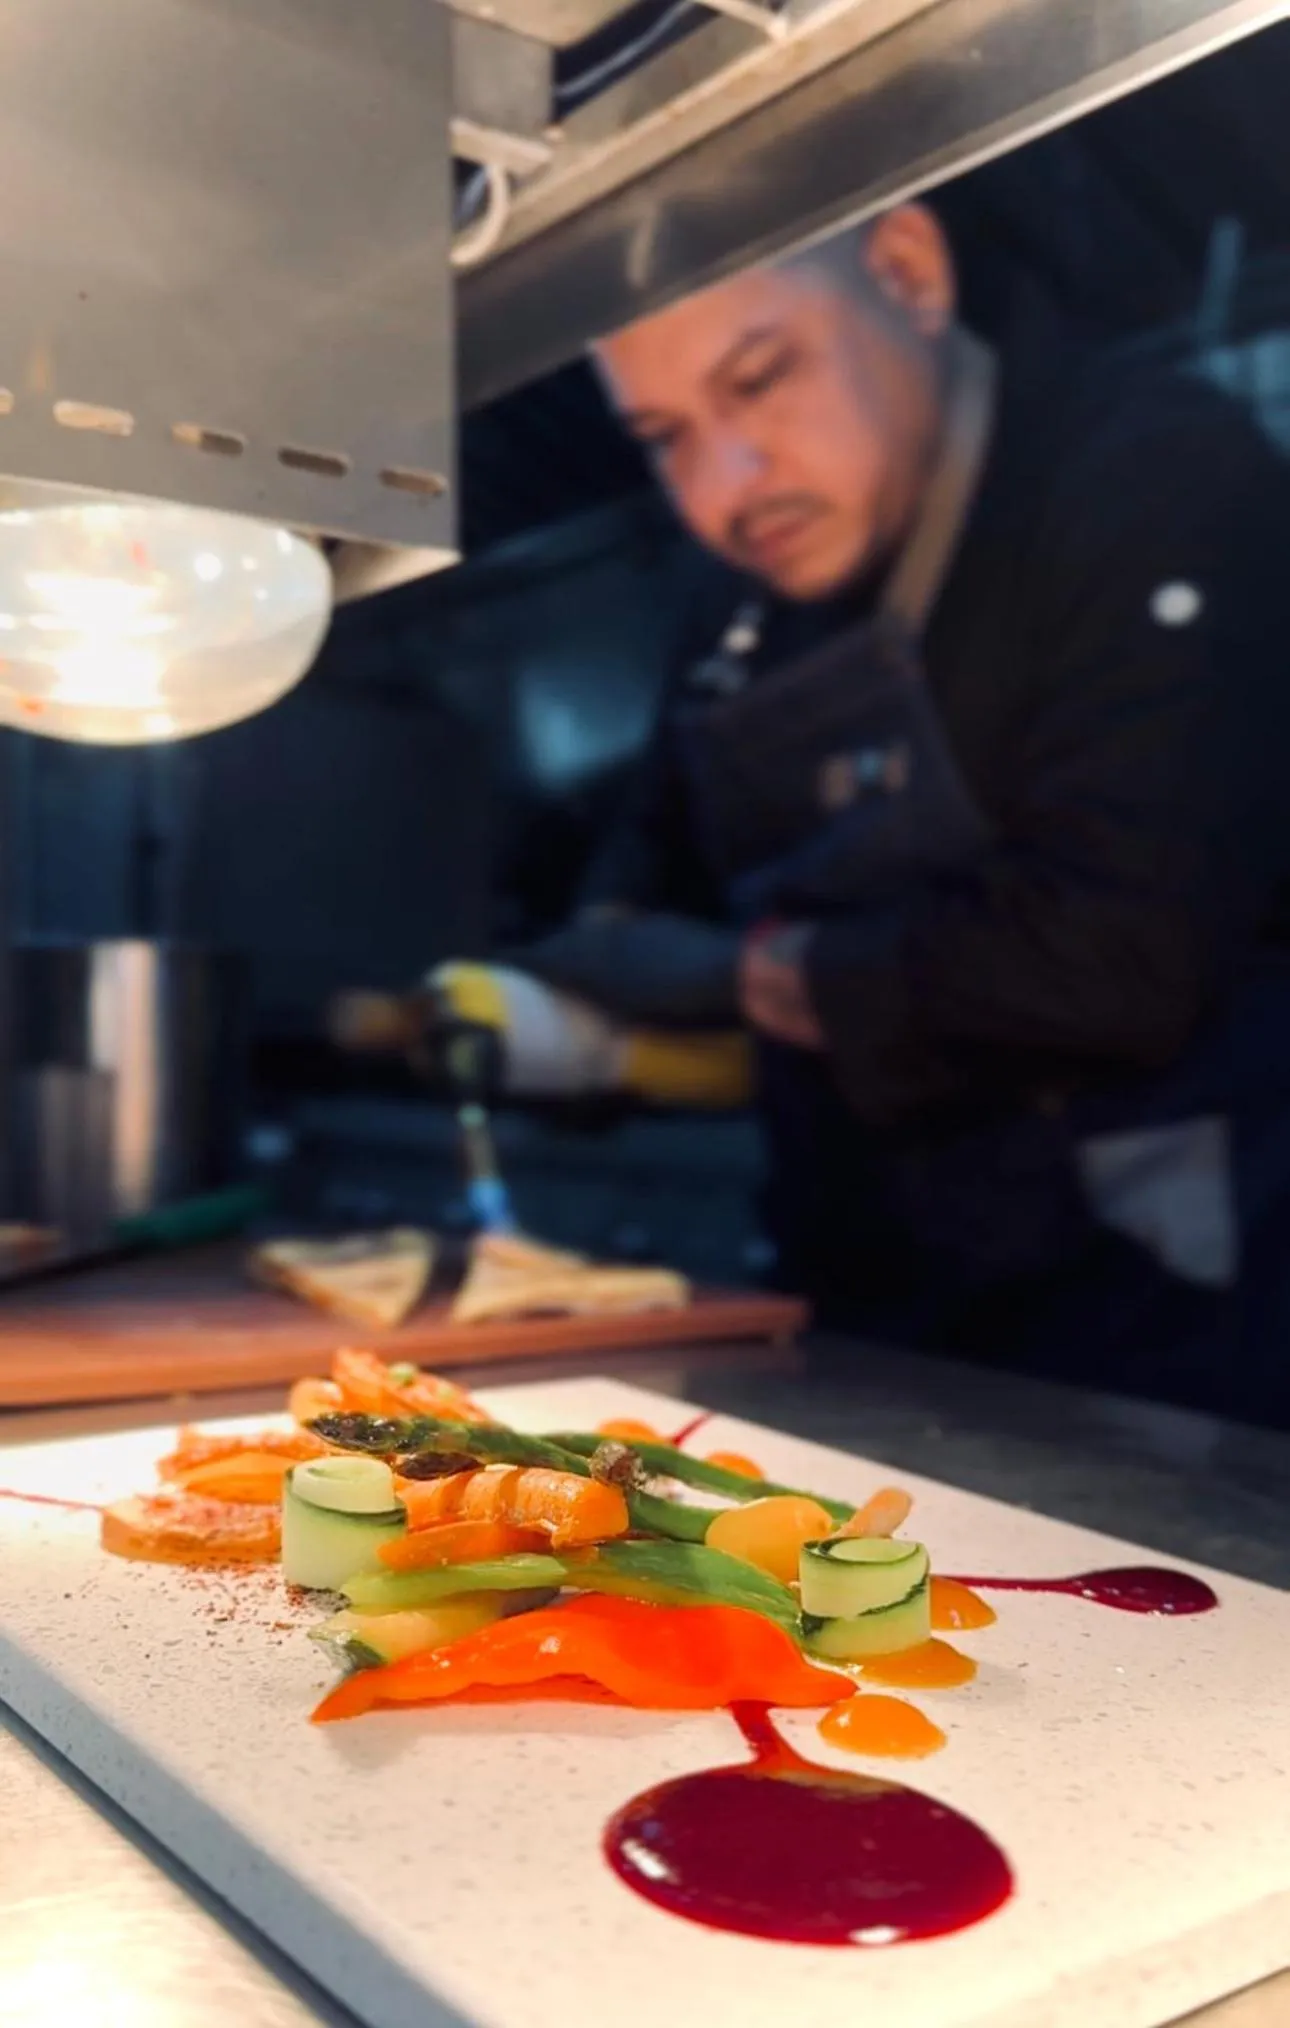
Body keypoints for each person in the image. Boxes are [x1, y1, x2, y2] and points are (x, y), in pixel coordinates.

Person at [419, 206, 1290, 1419]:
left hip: (1154, 1308)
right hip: (853, 1293)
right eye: (665, 437)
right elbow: (633, 884)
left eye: (762, 379)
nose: (725, 486)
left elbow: (1122, 956)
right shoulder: (731, 601)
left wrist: (772, 974)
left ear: (907, 272)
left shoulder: (1154, 477)